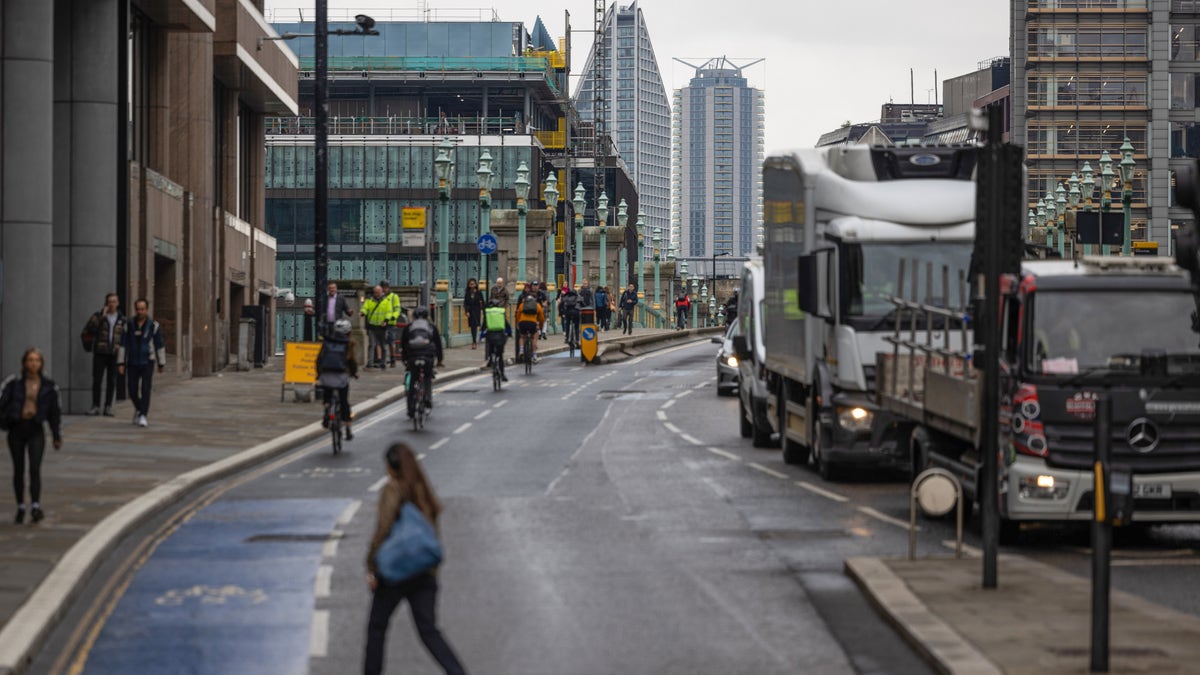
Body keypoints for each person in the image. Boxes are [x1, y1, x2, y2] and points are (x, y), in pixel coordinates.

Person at [364, 443, 466, 675]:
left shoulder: (392, 490)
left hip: (394, 573)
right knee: (429, 631)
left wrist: (371, 566)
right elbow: (433, 535)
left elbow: (383, 530)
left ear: (391, 466)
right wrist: (432, 572)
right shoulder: (424, 490)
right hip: (423, 572)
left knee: (377, 628)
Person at [0, 348, 63, 525]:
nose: (33, 363)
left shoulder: (49, 386)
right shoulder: (14, 383)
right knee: (18, 469)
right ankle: (20, 506)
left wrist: (57, 436)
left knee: (35, 469)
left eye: (37, 360)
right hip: (17, 429)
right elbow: (2, 403)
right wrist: (7, 421)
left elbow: (54, 413)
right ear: (24, 362)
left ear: (41, 364)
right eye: (30, 360)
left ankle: (35, 506)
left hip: (36, 429)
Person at [117, 298, 165, 428]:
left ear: (147, 309)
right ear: (135, 309)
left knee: (145, 388)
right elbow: (123, 344)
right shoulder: (129, 325)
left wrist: (161, 363)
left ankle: (143, 415)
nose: (140, 311)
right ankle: (139, 408)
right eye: (138, 309)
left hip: (147, 361)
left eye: (142, 309)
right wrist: (120, 362)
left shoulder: (153, 325)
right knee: (132, 389)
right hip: (132, 361)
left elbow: (159, 344)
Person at [82, 292, 127, 416]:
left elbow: (125, 338)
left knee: (111, 381)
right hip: (100, 352)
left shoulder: (122, 319)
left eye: (114, 301)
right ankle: (95, 405)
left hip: (114, 353)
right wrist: (102, 316)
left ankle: (108, 406)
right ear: (106, 303)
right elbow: (90, 329)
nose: (112, 304)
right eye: (110, 302)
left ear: (117, 303)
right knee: (97, 380)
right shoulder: (98, 316)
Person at [316, 318, 358, 441]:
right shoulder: (348, 344)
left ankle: (326, 414)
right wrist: (354, 373)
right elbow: (352, 362)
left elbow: (319, 359)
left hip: (326, 376)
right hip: (340, 377)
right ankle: (348, 428)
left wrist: (319, 374)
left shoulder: (327, 342)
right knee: (344, 401)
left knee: (327, 396)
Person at [399, 307, 444, 419]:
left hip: (413, 356)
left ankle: (411, 409)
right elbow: (438, 345)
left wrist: (405, 359)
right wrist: (439, 360)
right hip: (427, 356)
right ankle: (427, 398)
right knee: (427, 377)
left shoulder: (409, 327)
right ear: (427, 316)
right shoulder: (431, 327)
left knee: (414, 378)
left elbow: (403, 344)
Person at [480, 298, 510, 382]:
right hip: (500, 335)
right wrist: (509, 333)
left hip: (491, 335)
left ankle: (490, 360)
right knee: (500, 356)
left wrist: (481, 336)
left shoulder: (488, 313)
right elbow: (507, 325)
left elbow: (484, 327)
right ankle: (503, 374)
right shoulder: (501, 312)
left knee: (491, 349)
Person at [362, 285, 391, 369]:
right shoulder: (369, 300)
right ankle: (370, 362)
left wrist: (386, 321)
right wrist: (362, 312)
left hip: (382, 326)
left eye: (377, 292)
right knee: (372, 344)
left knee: (383, 345)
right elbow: (365, 308)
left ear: (381, 292)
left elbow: (389, 312)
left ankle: (383, 362)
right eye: (375, 292)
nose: (376, 294)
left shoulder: (386, 301)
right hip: (372, 326)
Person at [513, 284, 545, 362]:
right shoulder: (537, 305)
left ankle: (521, 350)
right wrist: (540, 326)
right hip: (532, 323)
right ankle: (534, 355)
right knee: (534, 337)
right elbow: (541, 317)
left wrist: (517, 323)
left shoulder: (522, 304)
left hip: (523, 322)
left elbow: (517, 314)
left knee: (522, 336)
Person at [381, 281, 403, 367]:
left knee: (391, 342)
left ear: (388, 288)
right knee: (381, 342)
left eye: (385, 287)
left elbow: (397, 309)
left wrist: (394, 316)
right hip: (381, 323)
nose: (384, 289)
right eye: (383, 287)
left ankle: (392, 358)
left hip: (391, 323)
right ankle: (383, 360)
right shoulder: (381, 296)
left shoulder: (394, 297)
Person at [462, 278, 485, 350]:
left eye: (473, 284)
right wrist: (466, 311)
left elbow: (482, 302)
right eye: (471, 284)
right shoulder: (467, 293)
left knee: (475, 326)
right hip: (470, 311)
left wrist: (483, 309)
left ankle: (475, 341)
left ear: (475, 285)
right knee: (473, 327)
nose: (472, 286)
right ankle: (474, 341)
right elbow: (465, 303)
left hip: (476, 311)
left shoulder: (478, 292)